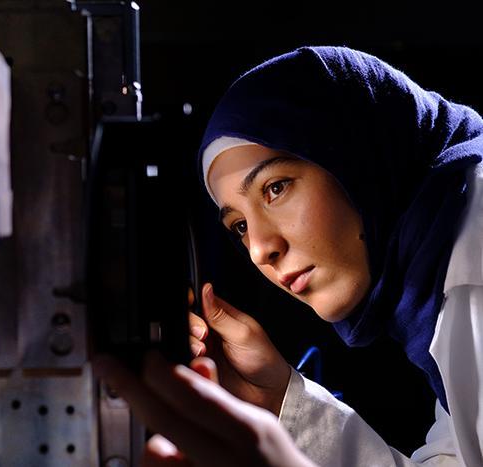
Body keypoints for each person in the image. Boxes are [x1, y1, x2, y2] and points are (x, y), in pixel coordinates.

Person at [93, 46, 483, 466]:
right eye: (239, 226)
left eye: (276, 188)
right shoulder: (442, 287)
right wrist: (277, 397)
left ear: (357, 155)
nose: (261, 249)